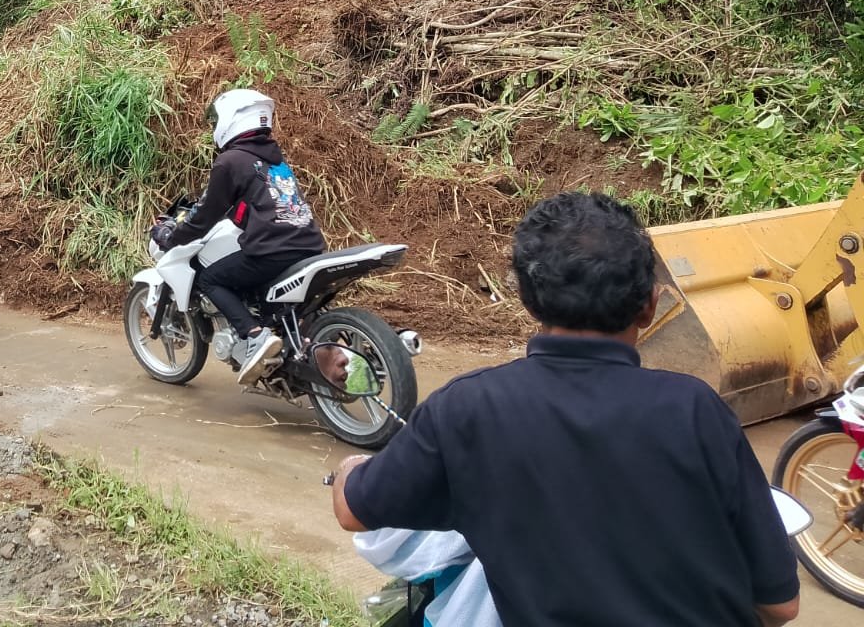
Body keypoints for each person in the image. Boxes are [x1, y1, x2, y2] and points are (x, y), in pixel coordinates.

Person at [326, 192, 801, 627]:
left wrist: (349, 468)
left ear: (529, 301)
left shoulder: (469, 408)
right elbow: (780, 605)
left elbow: (354, 512)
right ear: (649, 307)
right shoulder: (698, 410)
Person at [160, 88, 323, 385]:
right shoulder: (275, 161)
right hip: (309, 245)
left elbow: (204, 216)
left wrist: (171, 238)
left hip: (273, 249)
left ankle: (255, 336)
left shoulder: (231, 161)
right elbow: (257, 206)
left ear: (232, 120)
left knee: (211, 279)